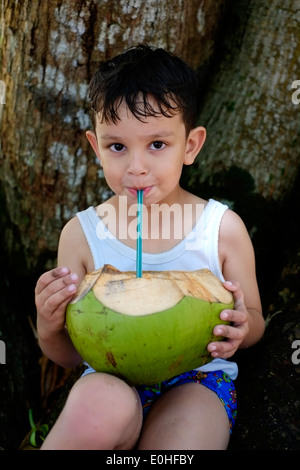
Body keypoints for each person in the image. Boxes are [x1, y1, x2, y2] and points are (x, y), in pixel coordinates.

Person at [35, 45, 265, 450]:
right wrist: (49, 325)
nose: (136, 166)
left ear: (190, 146)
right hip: (110, 376)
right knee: (96, 408)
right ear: (95, 147)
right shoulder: (82, 234)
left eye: (157, 144)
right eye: (117, 147)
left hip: (198, 377)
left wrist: (240, 330)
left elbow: (255, 321)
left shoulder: (222, 230)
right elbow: (71, 355)